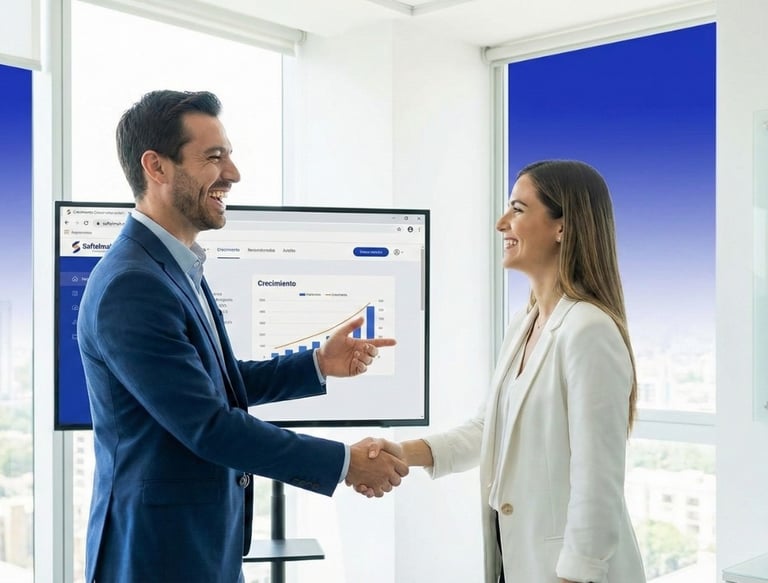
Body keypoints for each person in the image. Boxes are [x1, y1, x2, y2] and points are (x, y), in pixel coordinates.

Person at [76, 89, 408, 583]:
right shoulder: (133, 284)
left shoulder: (175, 267)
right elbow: (208, 424)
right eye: (214, 157)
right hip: (156, 553)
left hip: (200, 542)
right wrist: (344, 463)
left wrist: (316, 364)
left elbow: (213, 385)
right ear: (157, 167)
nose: (233, 173)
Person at [364, 160, 646, 582]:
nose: (501, 223)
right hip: (516, 562)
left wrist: (573, 576)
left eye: (517, 208)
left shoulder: (589, 330)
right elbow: (487, 430)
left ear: (562, 228)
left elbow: (597, 480)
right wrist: (403, 452)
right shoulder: (525, 323)